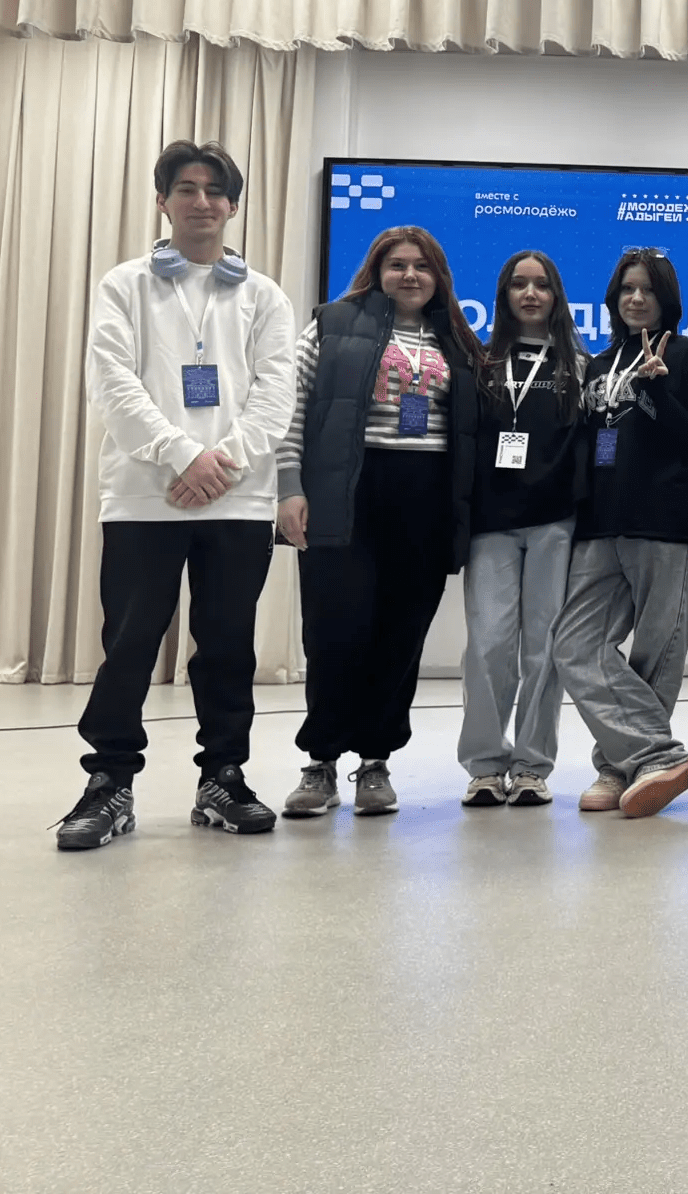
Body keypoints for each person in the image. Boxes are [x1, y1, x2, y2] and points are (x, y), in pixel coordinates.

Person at [55, 140, 297, 850]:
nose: (201, 202)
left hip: (237, 501)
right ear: (162, 201)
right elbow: (113, 383)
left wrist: (224, 463)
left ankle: (223, 776)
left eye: (215, 191)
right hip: (144, 497)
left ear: (233, 206)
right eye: (186, 189)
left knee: (227, 646)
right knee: (129, 643)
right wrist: (183, 454)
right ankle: (110, 781)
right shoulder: (124, 285)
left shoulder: (264, 296)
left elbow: (276, 394)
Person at [275, 226, 481, 818]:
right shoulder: (332, 324)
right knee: (334, 631)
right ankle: (320, 762)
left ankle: (375, 761)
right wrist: (289, 488)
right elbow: (291, 407)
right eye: (397, 264)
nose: (410, 275)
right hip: (347, 492)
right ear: (376, 270)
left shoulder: (459, 339)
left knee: (400, 634)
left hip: (425, 498)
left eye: (422, 266)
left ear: (439, 276)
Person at [552, 249, 688, 819]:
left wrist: (657, 392)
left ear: (666, 298)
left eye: (647, 289)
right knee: (574, 645)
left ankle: (616, 766)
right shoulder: (599, 365)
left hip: (668, 524)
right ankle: (656, 755)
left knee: (655, 654)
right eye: (627, 289)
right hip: (601, 525)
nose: (636, 298)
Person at [457, 250, 587, 808]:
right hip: (491, 525)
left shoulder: (580, 366)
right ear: (504, 295)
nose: (530, 294)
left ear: (556, 296)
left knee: (545, 650)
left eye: (541, 285)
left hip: (556, 524)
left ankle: (532, 765)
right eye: (518, 284)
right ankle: (485, 765)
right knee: (488, 646)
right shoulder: (480, 362)